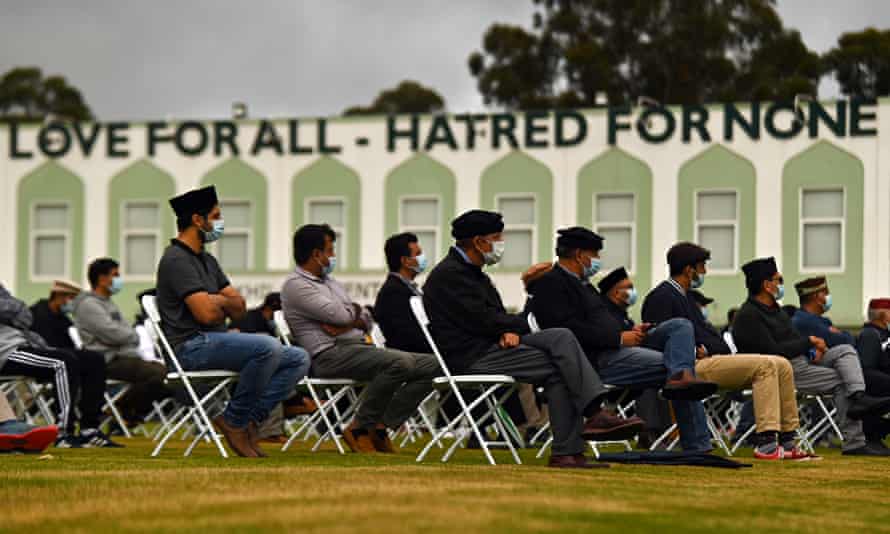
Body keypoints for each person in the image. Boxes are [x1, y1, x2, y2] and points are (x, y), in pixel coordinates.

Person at [423, 210, 644, 469]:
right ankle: (582, 431)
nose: (501, 244)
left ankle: (576, 442)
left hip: (491, 345)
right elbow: (483, 319)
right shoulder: (452, 274)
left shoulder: (472, 272)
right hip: (472, 356)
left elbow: (490, 318)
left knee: (562, 341)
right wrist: (510, 326)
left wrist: (511, 326)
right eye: (497, 238)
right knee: (562, 362)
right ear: (479, 242)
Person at [525, 228, 716, 453]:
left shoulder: (582, 284)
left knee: (680, 327)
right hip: (597, 359)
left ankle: (681, 379)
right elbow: (567, 331)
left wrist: (631, 331)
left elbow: (600, 322)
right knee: (682, 371)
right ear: (579, 255)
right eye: (595, 254)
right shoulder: (552, 284)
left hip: (617, 347)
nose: (597, 261)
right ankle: (697, 444)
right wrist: (618, 337)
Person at [156, 185, 310, 458]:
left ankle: (249, 420)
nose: (219, 223)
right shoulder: (176, 260)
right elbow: (206, 315)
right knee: (268, 347)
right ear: (197, 220)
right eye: (215, 216)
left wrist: (217, 301)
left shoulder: (207, 260)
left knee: (298, 358)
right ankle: (235, 421)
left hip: (213, 341)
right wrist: (221, 302)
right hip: (189, 348)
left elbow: (239, 307)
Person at [282, 224, 441, 454]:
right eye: (330, 250)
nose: (333, 256)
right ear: (316, 254)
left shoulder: (330, 283)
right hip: (328, 355)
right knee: (399, 363)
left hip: (355, 347)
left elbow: (364, 315)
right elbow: (343, 314)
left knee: (435, 365)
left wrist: (348, 318)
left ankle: (380, 425)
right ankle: (359, 428)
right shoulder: (296, 285)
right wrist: (350, 316)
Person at [642, 244, 809, 460]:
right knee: (766, 365)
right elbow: (657, 338)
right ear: (688, 270)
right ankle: (766, 443)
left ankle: (788, 440)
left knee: (781, 364)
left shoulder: (686, 298)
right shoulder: (662, 297)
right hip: (688, 368)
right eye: (701, 267)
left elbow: (712, 340)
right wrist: (692, 350)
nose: (704, 272)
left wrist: (707, 347)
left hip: (709, 359)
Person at [732, 257, 890, 456]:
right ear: (766, 285)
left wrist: (811, 349)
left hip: (801, 362)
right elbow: (773, 350)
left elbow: (796, 340)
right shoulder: (749, 316)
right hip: (781, 370)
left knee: (845, 350)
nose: (781, 284)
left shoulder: (776, 311)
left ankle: (859, 396)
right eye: (778, 280)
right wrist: (809, 343)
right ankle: (855, 442)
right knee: (842, 382)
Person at [0, 283, 117, 448]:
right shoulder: (43, 312)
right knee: (62, 362)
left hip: (26, 345)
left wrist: (13, 308)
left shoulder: (61, 319)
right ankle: (63, 433)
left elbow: (25, 315)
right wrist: (14, 307)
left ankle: (89, 429)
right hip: (5, 353)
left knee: (93, 360)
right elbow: (15, 308)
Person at [792, 276, 890, 451]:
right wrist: (840, 336)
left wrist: (838, 336)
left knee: (846, 373)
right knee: (846, 353)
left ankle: (856, 438)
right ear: (817, 296)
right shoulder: (802, 321)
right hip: (802, 372)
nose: (828, 297)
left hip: (819, 367)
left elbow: (839, 340)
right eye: (826, 292)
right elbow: (845, 341)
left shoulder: (821, 321)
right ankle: (859, 400)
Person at [71, 258, 171, 425]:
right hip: (106, 360)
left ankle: (126, 411)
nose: (119, 279)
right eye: (115, 275)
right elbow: (113, 334)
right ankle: (122, 408)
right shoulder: (89, 305)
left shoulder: (107, 303)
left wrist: (128, 336)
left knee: (168, 375)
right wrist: (132, 336)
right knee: (159, 374)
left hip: (123, 356)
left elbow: (123, 332)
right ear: (102, 279)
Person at [229, 291, 314, 444]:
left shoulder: (267, 320)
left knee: (277, 373)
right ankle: (275, 424)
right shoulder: (252, 319)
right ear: (276, 305)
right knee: (272, 378)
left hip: (258, 366)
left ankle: (293, 405)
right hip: (246, 366)